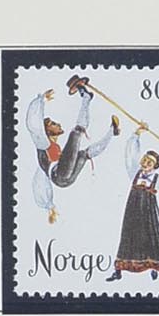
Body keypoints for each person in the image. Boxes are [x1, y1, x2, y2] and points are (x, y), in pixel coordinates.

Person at [26, 79, 118, 225]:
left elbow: (40, 178)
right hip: (60, 174)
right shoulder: (43, 143)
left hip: (64, 180)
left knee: (85, 154)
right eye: (53, 124)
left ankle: (112, 131)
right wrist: (41, 100)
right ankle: (86, 96)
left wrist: (49, 206)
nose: (58, 124)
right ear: (47, 130)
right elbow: (33, 125)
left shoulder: (53, 148)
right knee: (76, 133)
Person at [107, 124, 159, 283]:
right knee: (128, 235)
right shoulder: (135, 172)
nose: (145, 163)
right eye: (144, 159)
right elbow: (130, 155)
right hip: (132, 209)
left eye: (149, 162)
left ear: (155, 166)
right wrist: (137, 134)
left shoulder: (157, 179)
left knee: (151, 235)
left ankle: (153, 267)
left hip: (148, 212)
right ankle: (118, 271)